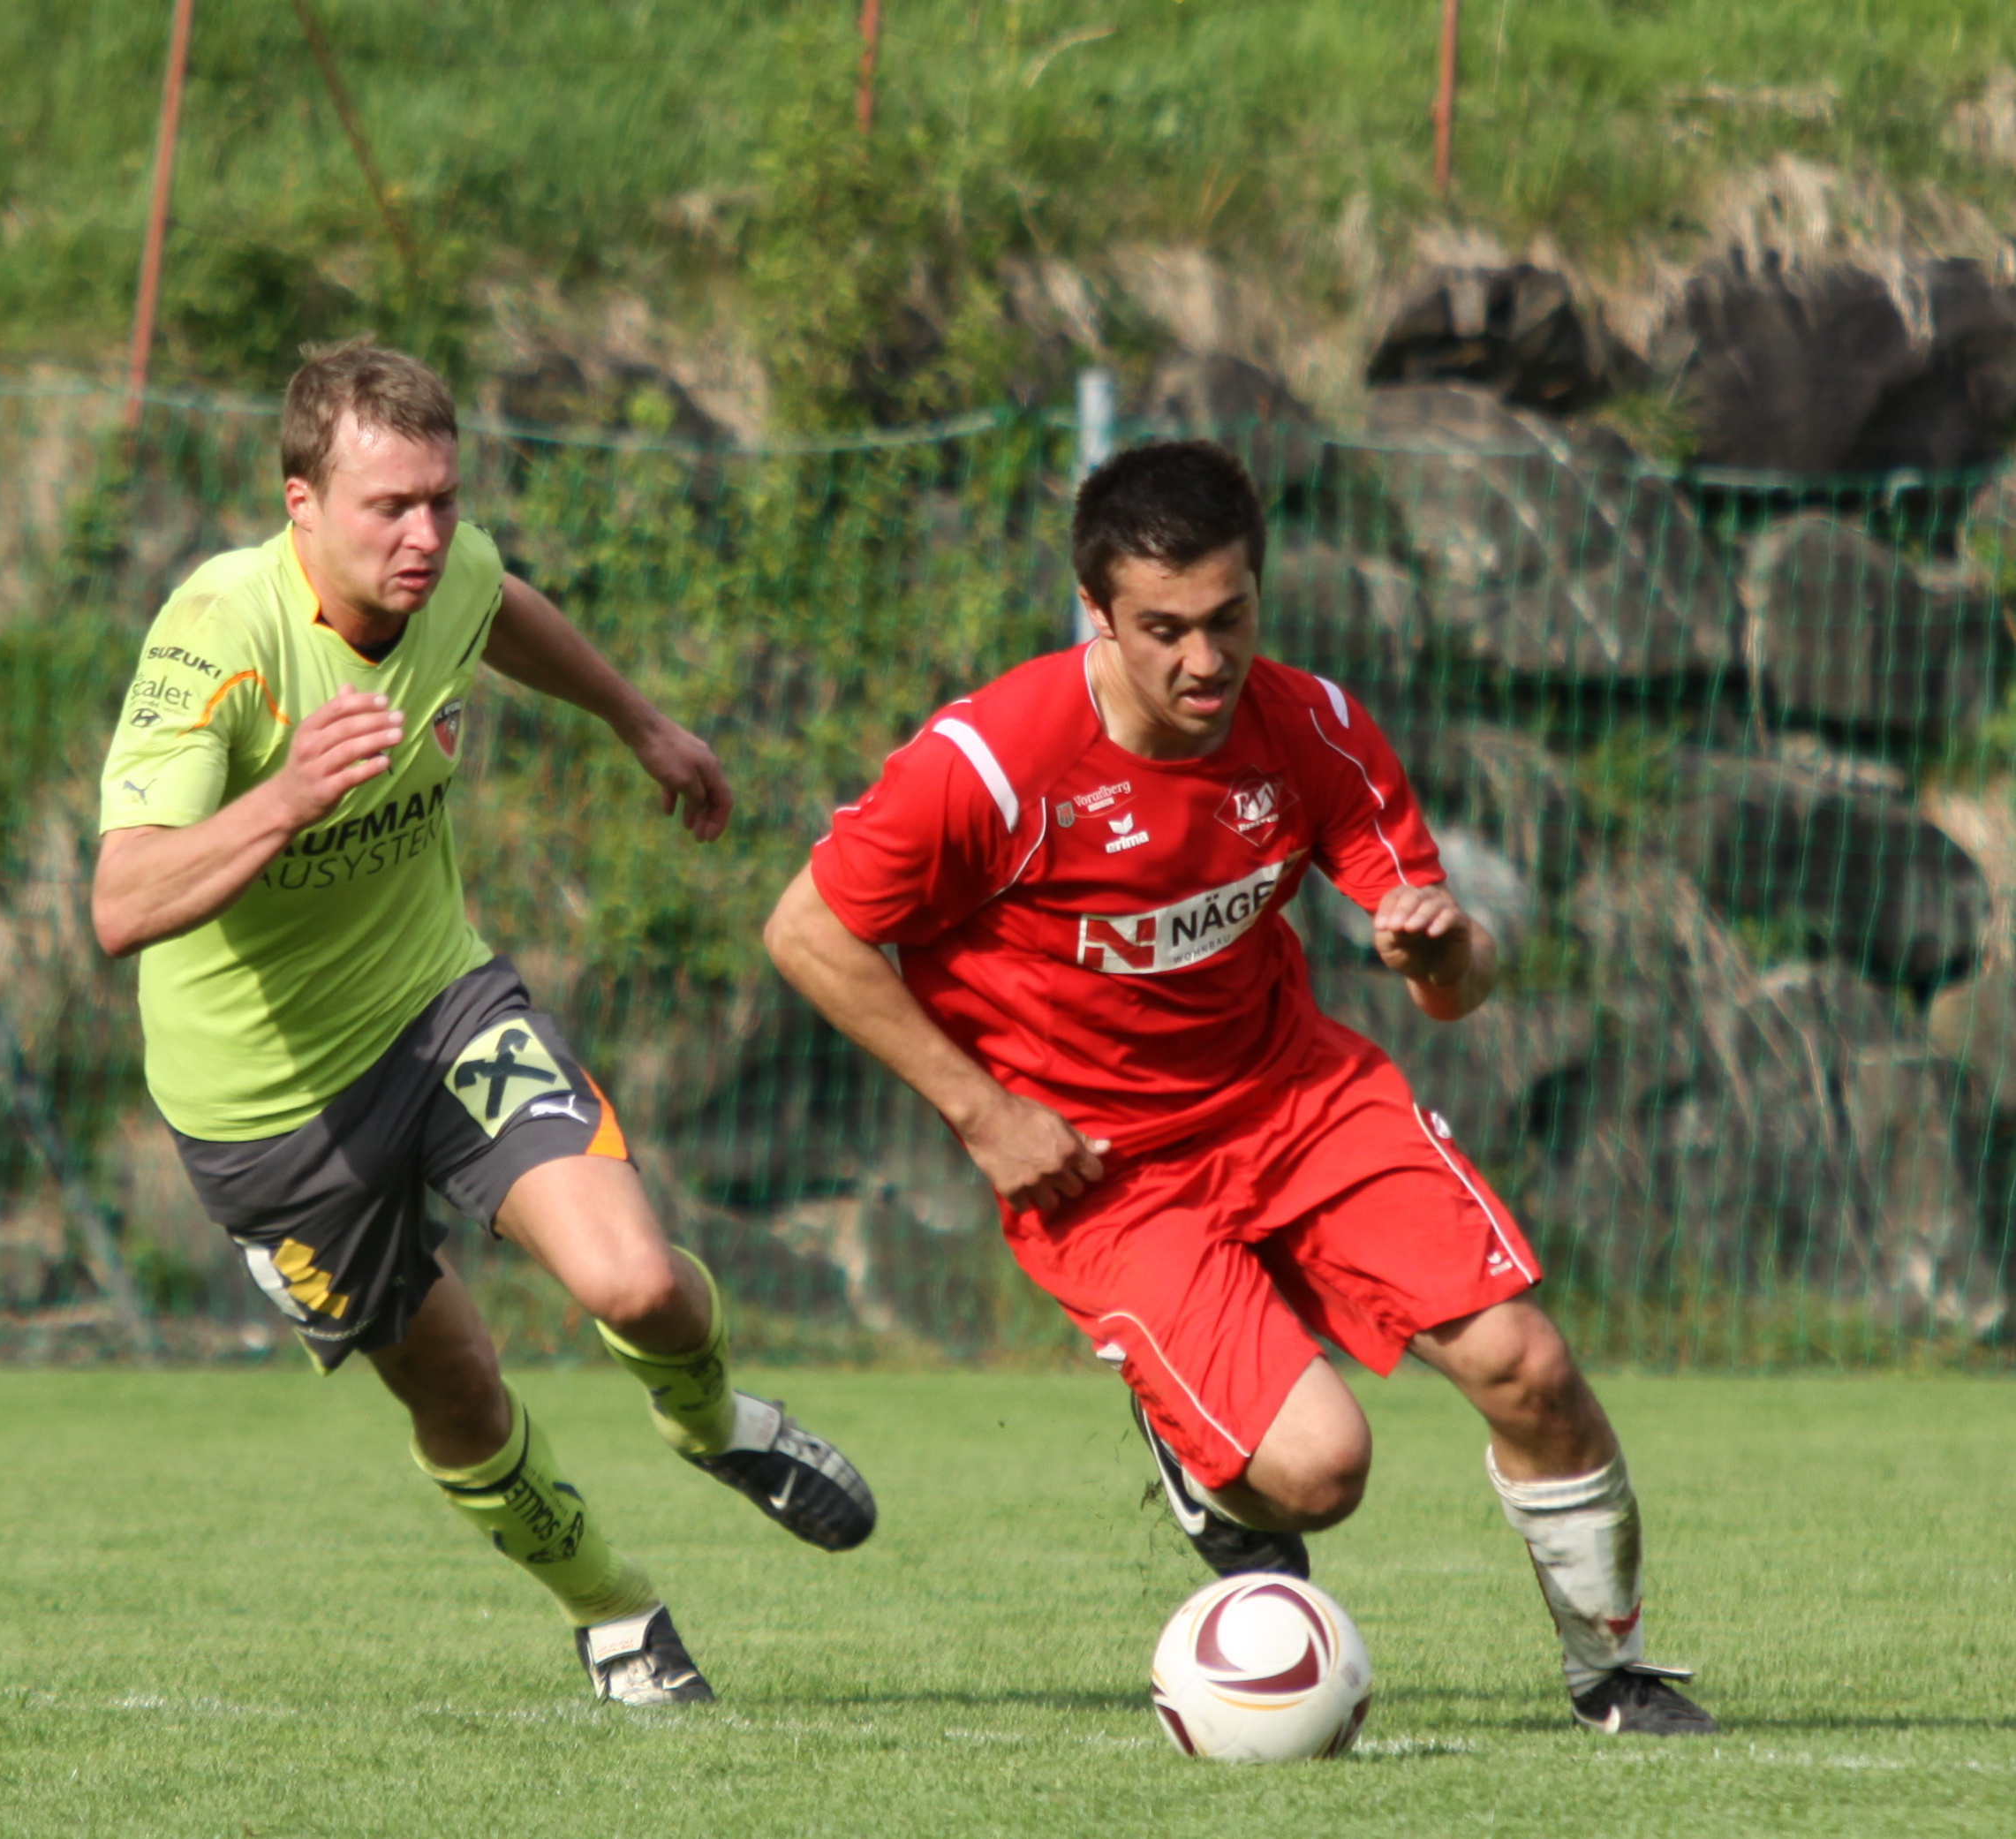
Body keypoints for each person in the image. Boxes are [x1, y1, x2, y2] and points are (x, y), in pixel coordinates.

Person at [763, 439, 1714, 1737]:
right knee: (1320, 1472)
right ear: (1097, 614)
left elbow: (1455, 986)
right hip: (1103, 1168)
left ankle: (1616, 1675)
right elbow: (808, 931)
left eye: (1229, 618)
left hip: (1295, 1098)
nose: (1204, 661)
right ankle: (1204, 1462)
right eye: (1164, 630)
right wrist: (984, 1114)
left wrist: (1446, 950)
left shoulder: (1311, 727)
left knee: (1527, 1364)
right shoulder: (989, 764)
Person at [93, 337, 873, 1708]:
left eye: (442, 498)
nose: (426, 533)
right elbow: (121, 901)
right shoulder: (221, 633)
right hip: (269, 1112)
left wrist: (638, 721)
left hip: (435, 1008)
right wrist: (285, 798)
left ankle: (715, 1423)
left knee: (635, 1283)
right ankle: (613, 1612)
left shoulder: (448, 571)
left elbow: (497, 602)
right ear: (299, 504)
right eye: (388, 506)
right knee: (455, 1387)